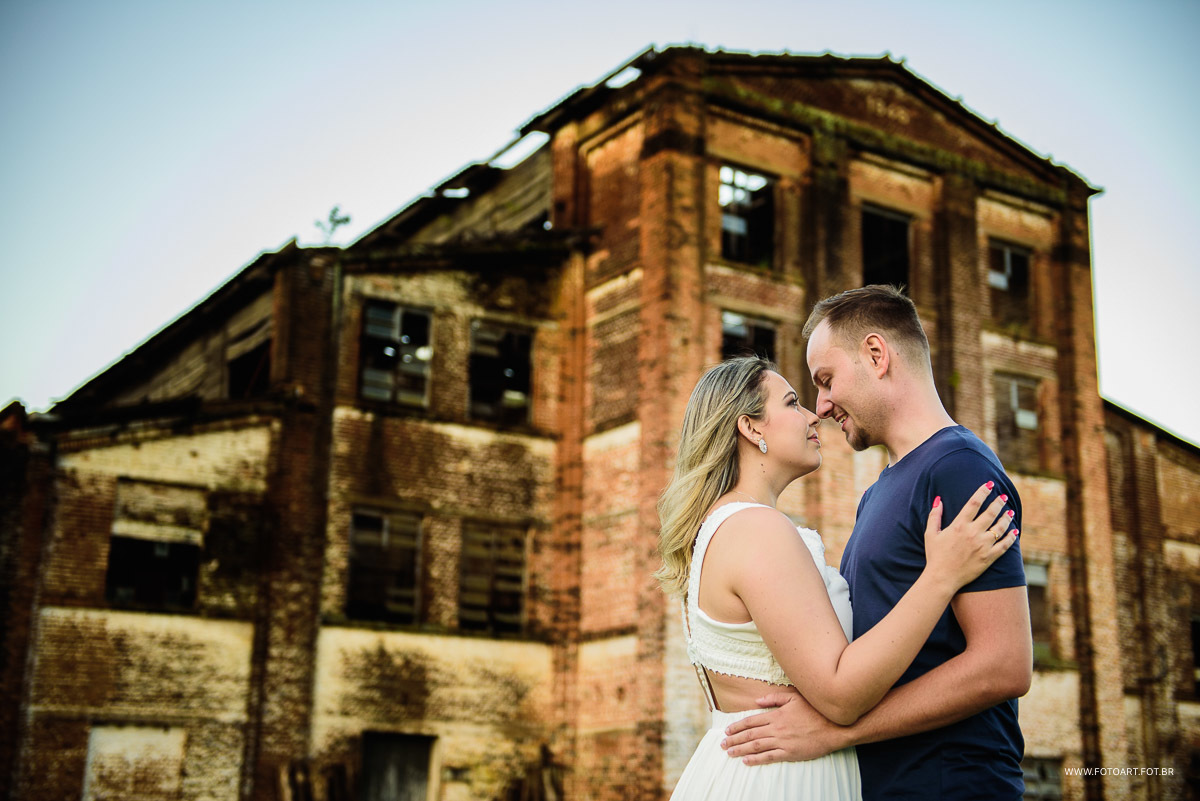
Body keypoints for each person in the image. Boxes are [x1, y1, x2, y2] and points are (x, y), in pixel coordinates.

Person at [720, 285, 1033, 800]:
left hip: (953, 786)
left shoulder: (958, 469)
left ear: (876, 354)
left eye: (825, 380)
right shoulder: (879, 490)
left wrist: (835, 732)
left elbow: (1005, 663)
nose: (820, 405)